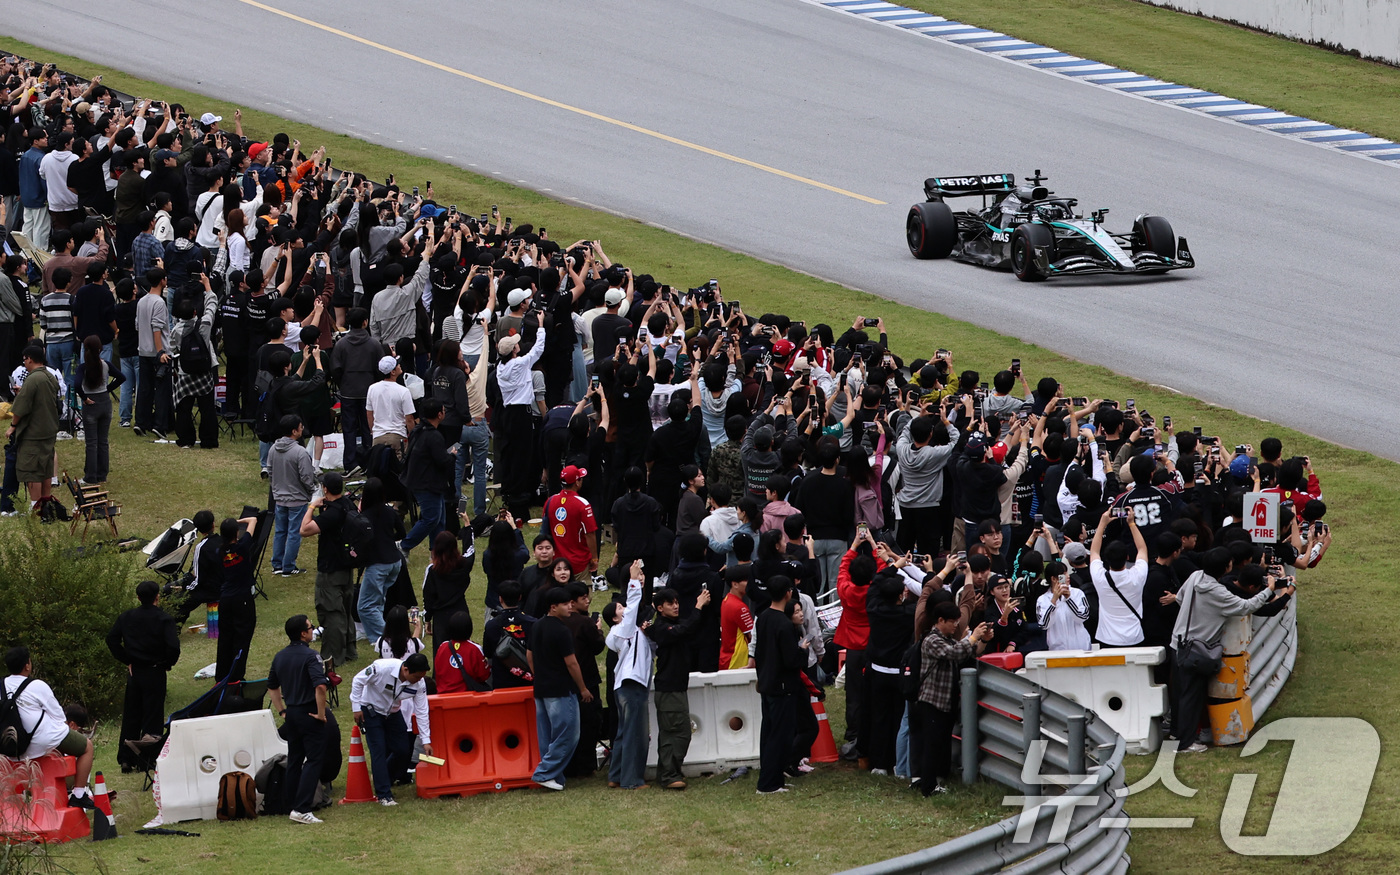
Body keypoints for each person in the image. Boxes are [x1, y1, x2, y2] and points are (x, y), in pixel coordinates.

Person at [1170, 549, 1292, 753]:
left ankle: (1179, 734)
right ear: (1225, 568)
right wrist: (1270, 589)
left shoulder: (1195, 576)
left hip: (1179, 642)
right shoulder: (1218, 593)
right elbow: (1247, 606)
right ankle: (1186, 744)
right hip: (1197, 651)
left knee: (1183, 694)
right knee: (1192, 697)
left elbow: (1181, 598)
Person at [2, 646, 96, 810]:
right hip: (40, 741)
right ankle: (79, 794)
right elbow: (59, 716)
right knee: (87, 747)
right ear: (27, 665)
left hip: (9, 747)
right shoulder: (37, 685)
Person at [917, 603, 993, 795]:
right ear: (940, 621)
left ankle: (936, 781)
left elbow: (967, 653)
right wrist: (973, 637)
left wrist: (981, 641)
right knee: (932, 745)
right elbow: (953, 653)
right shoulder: (932, 640)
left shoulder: (947, 639)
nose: (955, 626)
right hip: (932, 699)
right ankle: (927, 787)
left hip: (945, 700)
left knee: (940, 744)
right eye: (952, 622)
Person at [105, 581, 180, 771]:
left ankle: (126, 758)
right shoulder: (164, 619)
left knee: (132, 713)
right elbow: (173, 647)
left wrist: (126, 659)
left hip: (135, 671)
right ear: (157, 596)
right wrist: (166, 664)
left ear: (138, 597)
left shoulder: (127, 617)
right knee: (152, 715)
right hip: (155, 670)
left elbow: (111, 639)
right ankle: (146, 758)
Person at [645, 584, 713, 790]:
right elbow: (684, 629)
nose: (675, 606)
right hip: (669, 689)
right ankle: (669, 774)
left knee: (671, 733)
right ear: (659, 608)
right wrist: (698, 607)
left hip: (674, 687)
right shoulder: (661, 628)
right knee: (679, 732)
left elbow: (689, 627)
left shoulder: (671, 625)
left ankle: (668, 772)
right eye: (670, 603)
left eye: (676, 602)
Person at [527, 587, 594, 791]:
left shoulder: (537, 626)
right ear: (553, 607)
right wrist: (583, 688)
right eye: (565, 604)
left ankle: (554, 777)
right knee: (568, 733)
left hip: (541, 689)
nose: (570, 606)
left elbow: (529, 656)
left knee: (547, 736)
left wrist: (539, 675)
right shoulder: (562, 630)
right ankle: (544, 773)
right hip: (561, 689)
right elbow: (572, 663)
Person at [267, 615, 330, 824]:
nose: (313, 630)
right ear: (303, 633)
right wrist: (321, 714)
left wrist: (282, 711)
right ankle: (302, 808)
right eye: (311, 628)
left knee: (294, 759)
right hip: (309, 714)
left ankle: (290, 803)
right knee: (313, 760)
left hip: (292, 713)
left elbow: (272, 686)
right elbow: (320, 686)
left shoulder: (280, 656)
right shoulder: (312, 656)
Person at [349, 653, 432, 806]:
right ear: (405, 669)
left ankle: (383, 776)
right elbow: (358, 680)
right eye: (416, 677)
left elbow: (421, 710)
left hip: (393, 713)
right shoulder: (382, 668)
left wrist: (426, 740)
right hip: (371, 711)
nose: (419, 681)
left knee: (403, 750)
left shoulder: (419, 684)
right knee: (378, 750)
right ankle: (384, 795)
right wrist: (356, 707)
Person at [754, 576, 808, 795]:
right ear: (787, 594)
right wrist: (802, 650)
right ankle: (769, 783)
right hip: (783, 686)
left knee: (768, 733)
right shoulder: (784, 624)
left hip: (767, 683)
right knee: (780, 736)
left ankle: (773, 778)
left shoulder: (763, 617)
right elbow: (791, 660)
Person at [298, 472, 357, 666]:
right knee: (346, 610)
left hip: (330, 569)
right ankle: (349, 650)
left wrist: (312, 507)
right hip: (347, 567)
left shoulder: (331, 513)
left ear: (325, 489)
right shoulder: (348, 505)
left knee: (331, 613)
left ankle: (333, 656)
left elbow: (304, 530)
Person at [605, 560, 654, 790]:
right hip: (632, 685)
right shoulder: (623, 629)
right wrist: (633, 581)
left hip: (624, 685)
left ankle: (615, 775)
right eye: (619, 609)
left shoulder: (623, 631)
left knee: (624, 733)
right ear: (615, 618)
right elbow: (633, 604)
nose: (624, 609)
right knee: (636, 734)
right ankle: (632, 780)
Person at [561, 582, 606, 779]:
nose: (587, 601)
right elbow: (597, 647)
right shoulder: (584, 623)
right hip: (586, 679)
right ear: (572, 602)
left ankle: (569, 765)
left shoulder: (557, 621)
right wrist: (599, 631)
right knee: (589, 723)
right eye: (583, 599)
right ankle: (586, 766)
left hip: (563, 681)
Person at [401, 398, 456, 556]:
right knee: (431, 518)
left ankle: (437, 550)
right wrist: (452, 456)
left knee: (439, 519)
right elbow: (442, 461)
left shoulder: (419, 431)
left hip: (425, 480)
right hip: (426, 483)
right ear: (439, 414)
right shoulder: (434, 436)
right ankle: (404, 545)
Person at [6, 346, 59, 509]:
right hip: (48, 429)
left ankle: (36, 505)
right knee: (46, 469)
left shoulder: (33, 379)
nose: (25, 363)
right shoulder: (50, 376)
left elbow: (20, 408)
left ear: (29, 359)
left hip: (33, 433)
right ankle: (46, 503)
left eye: (25, 360)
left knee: (32, 471)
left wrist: (13, 426)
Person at [1089, 506, 1149, 646]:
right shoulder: (1137, 575)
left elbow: (1094, 552)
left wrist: (1102, 523)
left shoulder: (1100, 577)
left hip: (1107, 638)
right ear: (1127, 557)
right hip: (1135, 637)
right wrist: (1132, 523)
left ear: (1106, 560)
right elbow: (1142, 549)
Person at [356, 478, 405, 642]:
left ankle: (388, 637)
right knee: (378, 602)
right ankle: (376, 639)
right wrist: (389, 538)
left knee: (365, 606)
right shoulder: (389, 511)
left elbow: (359, 539)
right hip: (394, 561)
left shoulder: (365, 516)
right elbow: (402, 533)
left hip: (378, 564)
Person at [216, 515, 261, 683]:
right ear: (236, 532)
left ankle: (221, 675)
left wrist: (232, 525)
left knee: (225, 637)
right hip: (242, 598)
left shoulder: (218, 552)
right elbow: (253, 520)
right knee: (242, 638)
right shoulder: (242, 547)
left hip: (225, 598)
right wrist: (238, 521)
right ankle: (236, 676)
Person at [269, 415, 316, 577]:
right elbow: (307, 477)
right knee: (294, 532)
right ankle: (288, 566)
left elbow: (270, 472)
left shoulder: (273, 448)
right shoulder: (300, 452)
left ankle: (277, 564)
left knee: (280, 531)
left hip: (279, 498)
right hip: (297, 499)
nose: (303, 429)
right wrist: (311, 491)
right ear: (294, 431)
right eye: (301, 427)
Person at [76, 336, 121, 484]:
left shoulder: (83, 368)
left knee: (91, 443)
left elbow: (76, 385)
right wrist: (108, 389)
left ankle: (90, 476)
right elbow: (121, 377)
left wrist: (84, 397)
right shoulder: (106, 365)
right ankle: (102, 474)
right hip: (105, 403)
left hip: (91, 403)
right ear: (100, 349)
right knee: (103, 441)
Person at [133, 269, 172, 440]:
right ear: (162, 281)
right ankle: (160, 425)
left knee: (144, 388)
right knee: (162, 390)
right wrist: (160, 351)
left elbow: (137, 325)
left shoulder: (141, 301)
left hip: (143, 350)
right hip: (158, 351)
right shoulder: (159, 302)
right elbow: (157, 328)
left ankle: (141, 422)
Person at [543, 465, 599, 578]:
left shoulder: (550, 501)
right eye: (580, 478)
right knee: (580, 595)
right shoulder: (583, 504)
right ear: (577, 483)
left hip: (557, 564)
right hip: (579, 564)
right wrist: (594, 558)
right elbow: (590, 534)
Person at [422, 531, 474, 650]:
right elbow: (470, 551)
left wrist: (427, 619)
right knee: (463, 650)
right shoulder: (464, 565)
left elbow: (428, 597)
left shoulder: (433, 571)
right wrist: (467, 526)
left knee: (442, 653)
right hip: (461, 613)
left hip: (442, 618)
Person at [483, 580, 535, 689]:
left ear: (500, 598)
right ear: (520, 597)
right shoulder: (532, 623)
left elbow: (487, 653)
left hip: (502, 682)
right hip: (527, 681)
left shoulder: (491, 625)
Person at [366, 355, 415, 457]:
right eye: (397, 365)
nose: (399, 366)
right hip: (398, 436)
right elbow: (409, 419)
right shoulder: (403, 391)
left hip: (378, 436)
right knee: (399, 468)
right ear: (392, 372)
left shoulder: (372, 389)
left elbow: (369, 414)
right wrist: (414, 437)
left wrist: (373, 431)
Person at [1036, 561, 1092, 651]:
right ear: (1053, 579)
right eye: (1063, 574)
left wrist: (1068, 599)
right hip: (1057, 650)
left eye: (1067, 572)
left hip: (1081, 646)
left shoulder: (1077, 593)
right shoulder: (1043, 599)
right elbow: (1044, 625)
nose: (1068, 576)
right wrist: (1053, 601)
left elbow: (1083, 616)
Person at [433, 611, 489, 693]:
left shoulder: (442, 647)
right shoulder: (475, 649)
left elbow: (438, 671)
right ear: (470, 629)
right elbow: (484, 675)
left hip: (443, 696)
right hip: (467, 697)